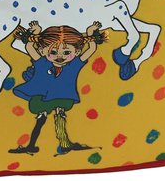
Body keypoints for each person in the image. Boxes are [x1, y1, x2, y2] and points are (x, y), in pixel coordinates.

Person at [9, 20, 106, 155]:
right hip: (43, 97)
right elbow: (29, 47)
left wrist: (90, 33)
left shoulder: (74, 65)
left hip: (62, 96)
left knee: (60, 116)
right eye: (53, 52)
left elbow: (91, 49)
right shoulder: (42, 62)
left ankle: (64, 143)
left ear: (77, 51)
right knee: (41, 119)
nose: (60, 56)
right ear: (42, 51)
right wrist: (36, 31)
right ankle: (31, 145)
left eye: (66, 52)